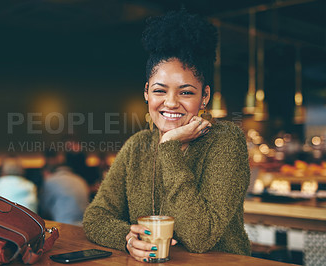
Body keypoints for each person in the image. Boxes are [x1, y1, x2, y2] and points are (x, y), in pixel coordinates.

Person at [83, 9, 251, 263]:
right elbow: (95, 217)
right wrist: (129, 239)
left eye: (185, 92)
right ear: (147, 93)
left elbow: (199, 238)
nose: (170, 103)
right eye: (160, 90)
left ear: (204, 97)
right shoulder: (137, 145)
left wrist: (169, 147)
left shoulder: (225, 141)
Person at [39, 148, 90, 225]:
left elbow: (43, 208)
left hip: (65, 227)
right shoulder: (81, 180)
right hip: (85, 226)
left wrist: (46, 181)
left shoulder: (51, 181)